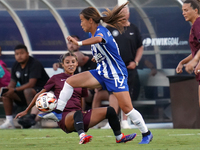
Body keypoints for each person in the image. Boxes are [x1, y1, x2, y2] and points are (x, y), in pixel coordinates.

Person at [39, 2, 153, 144]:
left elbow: (99, 39)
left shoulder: (101, 31)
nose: (81, 24)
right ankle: (57, 112)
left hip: (115, 74)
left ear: (90, 20)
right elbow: (103, 48)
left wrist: (79, 43)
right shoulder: (91, 33)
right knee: (70, 82)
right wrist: (97, 56)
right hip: (101, 72)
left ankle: (146, 133)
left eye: (82, 20)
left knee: (127, 109)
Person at [15, 52, 136, 144]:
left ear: (77, 63)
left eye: (73, 61)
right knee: (76, 113)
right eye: (67, 62)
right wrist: (27, 110)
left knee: (110, 111)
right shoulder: (56, 78)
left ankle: (119, 138)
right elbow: (39, 95)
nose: (70, 64)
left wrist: (99, 84)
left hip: (79, 116)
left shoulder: (81, 79)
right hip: (64, 117)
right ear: (62, 65)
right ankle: (82, 136)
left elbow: (83, 99)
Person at [92, 5, 144, 129]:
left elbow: (140, 47)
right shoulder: (109, 28)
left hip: (128, 68)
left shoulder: (134, 29)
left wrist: (135, 62)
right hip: (113, 68)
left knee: (125, 93)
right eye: (120, 13)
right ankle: (113, 120)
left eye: (124, 12)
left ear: (129, 14)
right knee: (113, 93)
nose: (122, 15)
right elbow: (101, 45)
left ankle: (125, 121)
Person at [0, 44, 49, 129]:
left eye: (22, 53)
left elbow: (31, 84)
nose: (19, 56)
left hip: (42, 93)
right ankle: (9, 122)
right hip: (25, 92)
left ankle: (31, 120)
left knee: (28, 91)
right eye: (17, 54)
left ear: (27, 53)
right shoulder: (16, 65)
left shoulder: (34, 63)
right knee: (6, 94)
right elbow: (13, 81)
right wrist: (9, 89)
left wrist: (14, 89)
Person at [177, 0, 200, 105]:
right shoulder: (194, 26)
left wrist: (196, 62)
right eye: (182, 11)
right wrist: (183, 62)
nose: (183, 13)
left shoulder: (198, 23)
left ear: (195, 10)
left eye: (186, 10)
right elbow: (196, 51)